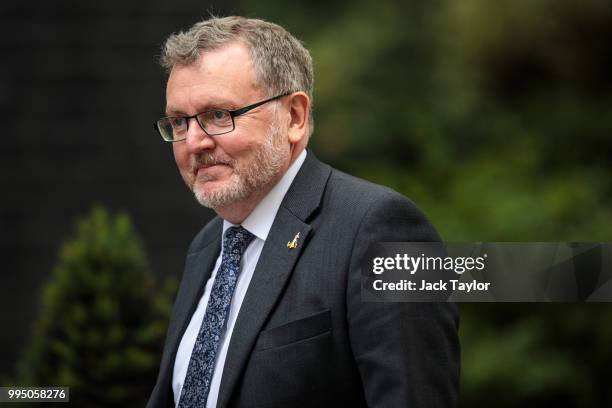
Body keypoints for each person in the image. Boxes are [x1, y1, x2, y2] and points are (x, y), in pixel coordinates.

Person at [147, 16, 459, 408]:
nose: (194, 142)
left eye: (217, 115)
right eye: (179, 122)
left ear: (293, 116)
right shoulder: (208, 245)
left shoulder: (383, 228)